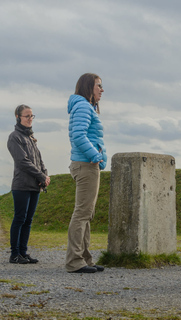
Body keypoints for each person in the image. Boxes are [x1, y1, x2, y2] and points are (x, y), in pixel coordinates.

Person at [66, 73, 107, 273]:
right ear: (88, 87)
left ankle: (85, 259)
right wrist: (95, 156)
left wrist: (102, 157)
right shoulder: (83, 106)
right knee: (82, 214)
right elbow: (78, 135)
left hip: (87, 164)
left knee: (86, 214)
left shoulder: (86, 107)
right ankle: (74, 262)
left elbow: (93, 136)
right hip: (85, 164)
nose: (102, 89)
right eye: (98, 85)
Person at [7, 104, 50, 264]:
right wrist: (40, 174)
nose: (30, 119)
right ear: (18, 117)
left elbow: (38, 159)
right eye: (27, 116)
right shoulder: (14, 137)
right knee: (19, 218)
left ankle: (23, 253)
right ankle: (14, 254)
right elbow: (22, 161)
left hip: (34, 185)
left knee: (28, 220)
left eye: (32, 116)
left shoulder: (30, 137)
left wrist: (45, 175)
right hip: (21, 185)